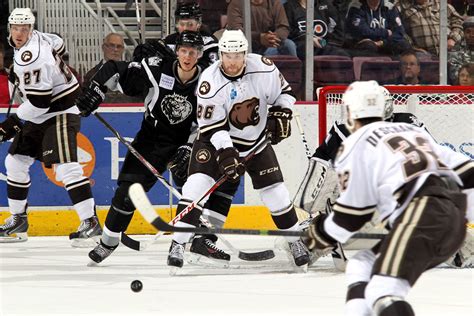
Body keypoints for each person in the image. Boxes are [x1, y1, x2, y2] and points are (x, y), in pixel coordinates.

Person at [304, 80, 473, 316]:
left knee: (383, 290)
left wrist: (319, 234)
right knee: (361, 265)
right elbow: (468, 172)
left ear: (352, 112)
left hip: (420, 217)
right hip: (450, 220)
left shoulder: (354, 144)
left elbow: (353, 215)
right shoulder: (413, 132)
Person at [76, 31, 231, 264]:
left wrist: (189, 147)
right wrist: (96, 89)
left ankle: (196, 240)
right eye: (184, 51)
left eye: (193, 52)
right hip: (152, 138)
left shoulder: (209, 81)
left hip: (190, 141)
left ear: (200, 55)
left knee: (195, 190)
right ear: (177, 51)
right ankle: (108, 241)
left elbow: (211, 121)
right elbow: (114, 69)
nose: (188, 56)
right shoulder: (156, 69)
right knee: (128, 191)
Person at [166, 29, 309, 270]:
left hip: (256, 142)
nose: (232, 62)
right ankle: (178, 243)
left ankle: (294, 241)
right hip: (214, 141)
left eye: (237, 56)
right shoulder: (209, 81)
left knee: (276, 193)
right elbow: (213, 127)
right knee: (196, 186)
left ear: (245, 54)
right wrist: (227, 152)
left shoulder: (264, 68)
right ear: (220, 54)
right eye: (227, 56)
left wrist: (281, 111)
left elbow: (285, 94)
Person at [0, 8, 102, 245]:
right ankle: (19, 219)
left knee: (66, 167)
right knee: (15, 162)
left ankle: (91, 222)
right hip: (43, 112)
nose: (19, 33)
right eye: (15, 28)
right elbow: (59, 42)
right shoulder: (42, 37)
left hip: (60, 112)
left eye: (24, 29)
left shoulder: (31, 57)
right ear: (9, 28)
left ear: (30, 29)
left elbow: (40, 103)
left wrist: (12, 123)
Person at [227, 0, 298, 57]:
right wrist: (259, 37)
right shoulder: (236, 3)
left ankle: (294, 73)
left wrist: (274, 37)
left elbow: (283, 26)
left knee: (289, 44)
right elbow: (236, 31)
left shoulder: (274, 2)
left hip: (270, 44)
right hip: (246, 45)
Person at [284, 0, 350, 60]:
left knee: (343, 55)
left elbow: (338, 33)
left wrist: (324, 43)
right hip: (301, 46)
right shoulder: (288, 7)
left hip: (325, 46)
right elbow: (288, 32)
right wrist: (308, 39)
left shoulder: (326, 5)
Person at [394, 0, 464, 57]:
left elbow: (459, 23)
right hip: (420, 54)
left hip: (449, 50)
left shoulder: (441, 4)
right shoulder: (400, 7)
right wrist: (412, 47)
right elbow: (399, 31)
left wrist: (453, 39)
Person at [345, 0, 411, 56]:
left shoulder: (390, 7)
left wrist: (382, 42)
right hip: (363, 43)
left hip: (385, 43)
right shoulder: (356, 6)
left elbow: (399, 32)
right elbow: (361, 31)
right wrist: (385, 32)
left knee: (404, 45)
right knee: (369, 46)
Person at [164, 2, 219, 68]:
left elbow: (212, 70)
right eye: (182, 24)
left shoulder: (210, 43)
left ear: (198, 23)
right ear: (177, 24)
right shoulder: (169, 41)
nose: (185, 28)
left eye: (190, 24)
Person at [449, 17, 474, 84]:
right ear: (464, 33)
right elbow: (454, 75)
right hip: (463, 88)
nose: (472, 35)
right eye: (468, 32)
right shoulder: (457, 48)